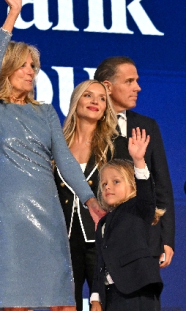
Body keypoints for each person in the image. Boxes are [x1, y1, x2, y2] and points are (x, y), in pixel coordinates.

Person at [0, 0, 105, 310]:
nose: (31, 71)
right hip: (7, 218)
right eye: (24, 65)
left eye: (34, 66)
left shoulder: (45, 113)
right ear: (9, 68)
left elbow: (63, 159)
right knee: (16, 305)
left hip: (47, 213)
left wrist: (90, 200)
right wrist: (11, 15)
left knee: (63, 302)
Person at [54, 80, 130, 311]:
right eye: (88, 96)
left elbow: (127, 194)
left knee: (104, 302)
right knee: (64, 304)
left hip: (102, 237)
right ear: (76, 101)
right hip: (62, 240)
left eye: (102, 98)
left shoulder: (117, 145)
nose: (95, 101)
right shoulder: (56, 144)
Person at [94, 57, 175, 269]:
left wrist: (166, 239)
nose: (137, 87)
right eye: (129, 81)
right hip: (98, 235)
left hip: (142, 237)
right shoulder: (88, 125)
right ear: (108, 87)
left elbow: (162, 186)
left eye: (137, 81)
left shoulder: (147, 125)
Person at [90, 129, 164, 311]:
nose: (108, 187)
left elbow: (146, 194)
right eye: (104, 184)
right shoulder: (102, 224)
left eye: (116, 181)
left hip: (137, 290)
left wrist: (139, 161)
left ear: (132, 183)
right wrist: (96, 298)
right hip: (112, 296)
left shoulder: (137, 208)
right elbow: (101, 262)